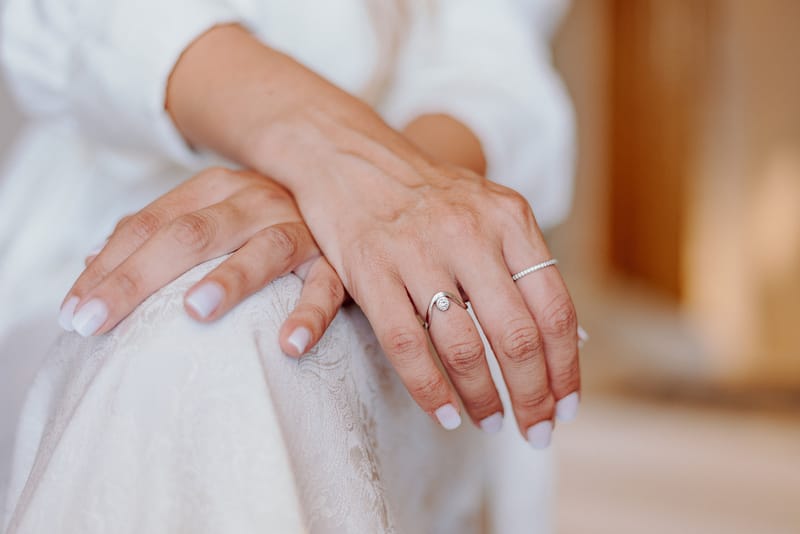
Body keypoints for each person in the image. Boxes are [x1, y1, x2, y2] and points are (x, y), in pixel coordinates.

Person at [0, 0, 579, 532]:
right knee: (203, 336)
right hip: (93, 228)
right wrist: (330, 161)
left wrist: (380, 202)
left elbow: (490, 66)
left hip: (411, 213)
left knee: (263, 334)